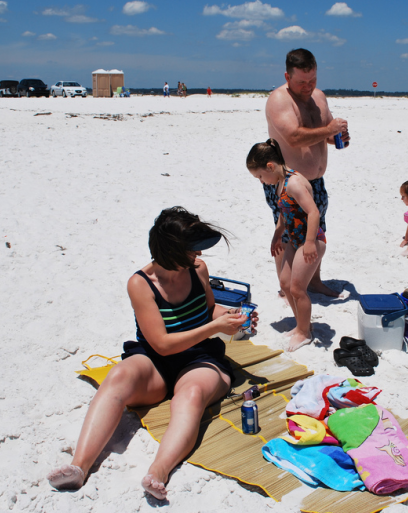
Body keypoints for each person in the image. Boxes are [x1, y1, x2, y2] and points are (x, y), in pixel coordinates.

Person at [47, 207, 257, 499]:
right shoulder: (141, 283)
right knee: (118, 376)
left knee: (192, 393)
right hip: (156, 360)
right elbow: (161, 344)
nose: (198, 255)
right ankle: (79, 466)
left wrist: (232, 316)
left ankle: (158, 470)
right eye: (191, 249)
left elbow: (209, 310)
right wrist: (216, 327)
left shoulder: (199, 270)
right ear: (172, 250)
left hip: (201, 358)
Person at [265, 48, 349, 298]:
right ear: (287, 76)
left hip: (316, 181)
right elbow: (293, 136)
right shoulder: (279, 99)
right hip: (289, 183)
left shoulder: (319, 97)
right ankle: (286, 287)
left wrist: (338, 136)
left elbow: (326, 132)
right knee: (289, 235)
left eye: (312, 80)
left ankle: (313, 280)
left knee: (316, 231)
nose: (308, 86)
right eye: (302, 81)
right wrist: (328, 130)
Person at [246, 139, 325, 352]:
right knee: (285, 283)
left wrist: (309, 243)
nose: (261, 181)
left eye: (260, 176)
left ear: (270, 166)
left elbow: (313, 212)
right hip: (294, 239)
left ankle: (304, 332)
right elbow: (284, 211)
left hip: (311, 240)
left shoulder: (294, 183)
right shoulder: (280, 181)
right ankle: (302, 324)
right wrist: (277, 234)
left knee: (298, 288)